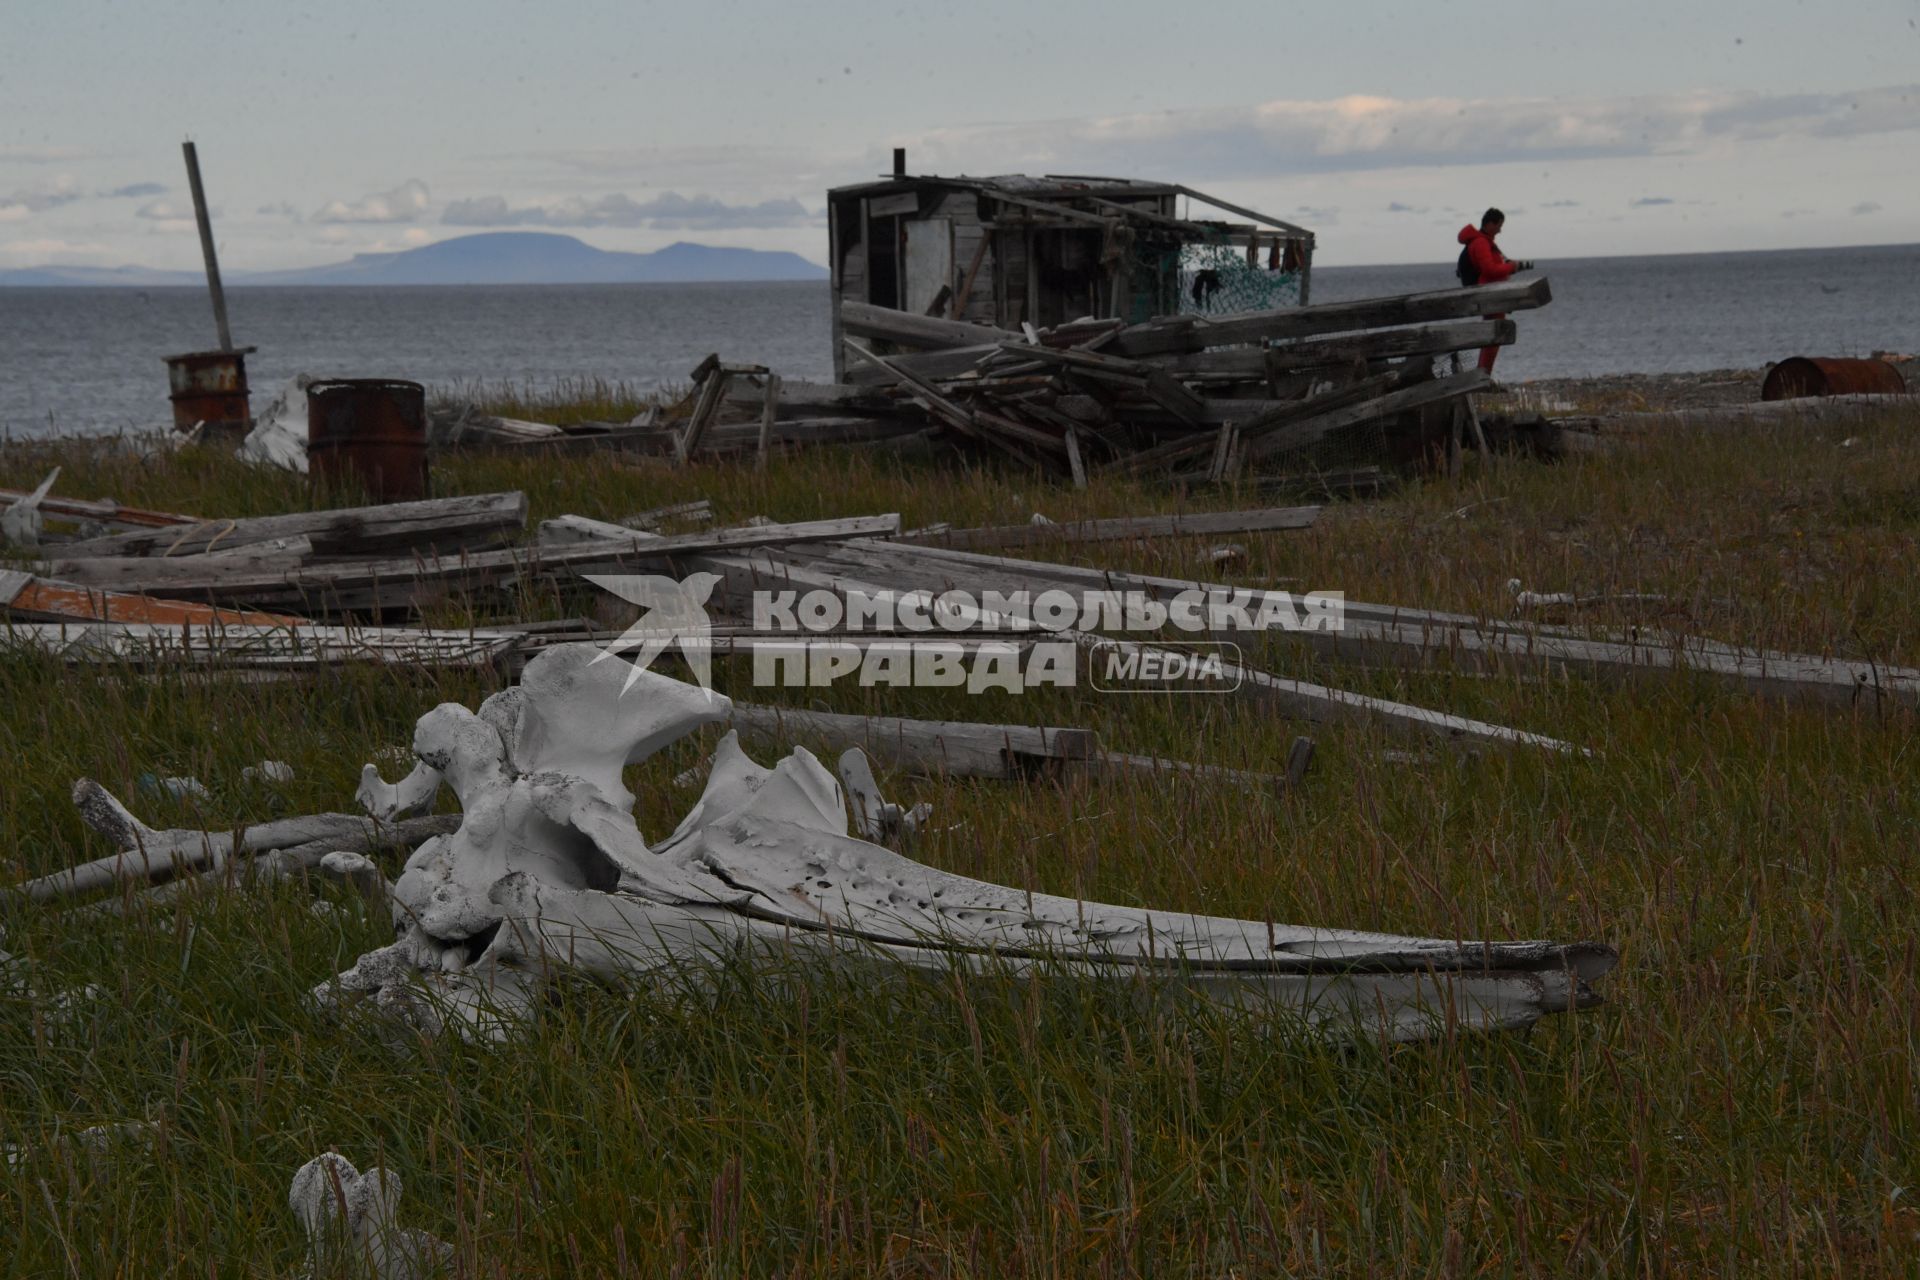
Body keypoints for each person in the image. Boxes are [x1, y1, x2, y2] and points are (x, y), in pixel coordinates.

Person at [1455, 208, 1533, 376]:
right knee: (1494, 336)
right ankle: (1483, 375)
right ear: (1490, 224)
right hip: (1487, 295)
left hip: (1488, 294)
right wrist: (1512, 267)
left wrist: (1510, 267)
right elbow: (1490, 270)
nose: (1500, 230)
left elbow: (1496, 267)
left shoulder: (1484, 241)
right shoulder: (1481, 243)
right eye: (1499, 225)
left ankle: (1483, 374)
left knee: (1494, 337)